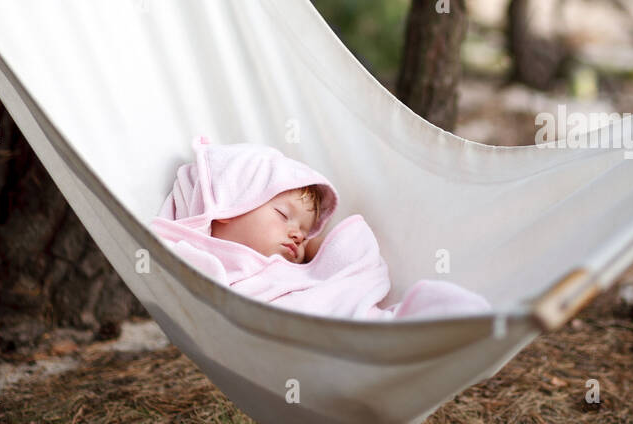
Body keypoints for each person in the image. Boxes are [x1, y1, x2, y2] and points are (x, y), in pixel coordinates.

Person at [150, 135, 492, 322]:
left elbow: (355, 258)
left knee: (398, 321)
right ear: (228, 205)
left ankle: (447, 319)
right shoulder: (199, 259)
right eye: (284, 215)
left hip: (353, 324)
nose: (300, 234)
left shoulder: (301, 270)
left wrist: (313, 250)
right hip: (317, 342)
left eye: (306, 230)